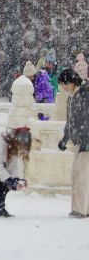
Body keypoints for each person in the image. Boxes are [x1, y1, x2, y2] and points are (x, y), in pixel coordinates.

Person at [57, 68, 89, 218]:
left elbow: (86, 119)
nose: (63, 88)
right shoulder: (72, 96)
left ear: (70, 82)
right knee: (76, 174)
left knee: (82, 176)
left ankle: (81, 210)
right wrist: (65, 139)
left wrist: (86, 140)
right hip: (78, 141)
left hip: (86, 142)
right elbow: (70, 121)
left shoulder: (85, 93)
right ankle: (80, 208)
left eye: (64, 85)